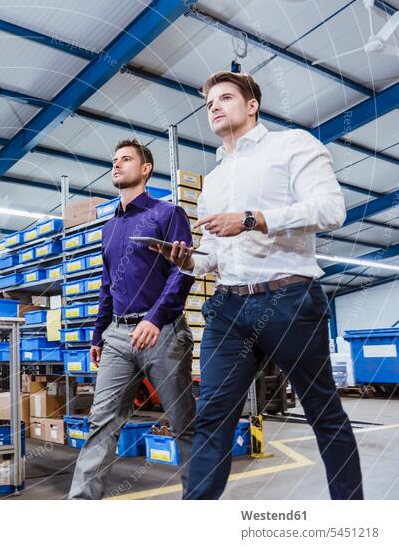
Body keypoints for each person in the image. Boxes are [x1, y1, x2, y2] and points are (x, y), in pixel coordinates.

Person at [152, 70, 363, 500]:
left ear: (252, 105)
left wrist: (252, 218)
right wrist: (186, 259)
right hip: (228, 307)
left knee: (322, 411)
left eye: (225, 97)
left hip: (288, 298)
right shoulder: (213, 179)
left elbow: (331, 209)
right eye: (209, 102)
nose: (213, 106)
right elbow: (213, 255)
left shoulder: (292, 145)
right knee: (211, 418)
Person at [68, 138, 196, 499]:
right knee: (101, 424)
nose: (117, 164)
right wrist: (97, 335)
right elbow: (108, 285)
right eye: (114, 160)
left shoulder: (168, 214)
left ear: (146, 169)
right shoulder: (109, 229)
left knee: (183, 423)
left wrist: (155, 318)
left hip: (164, 333)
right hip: (118, 338)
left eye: (126, 159)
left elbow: (183, 272)